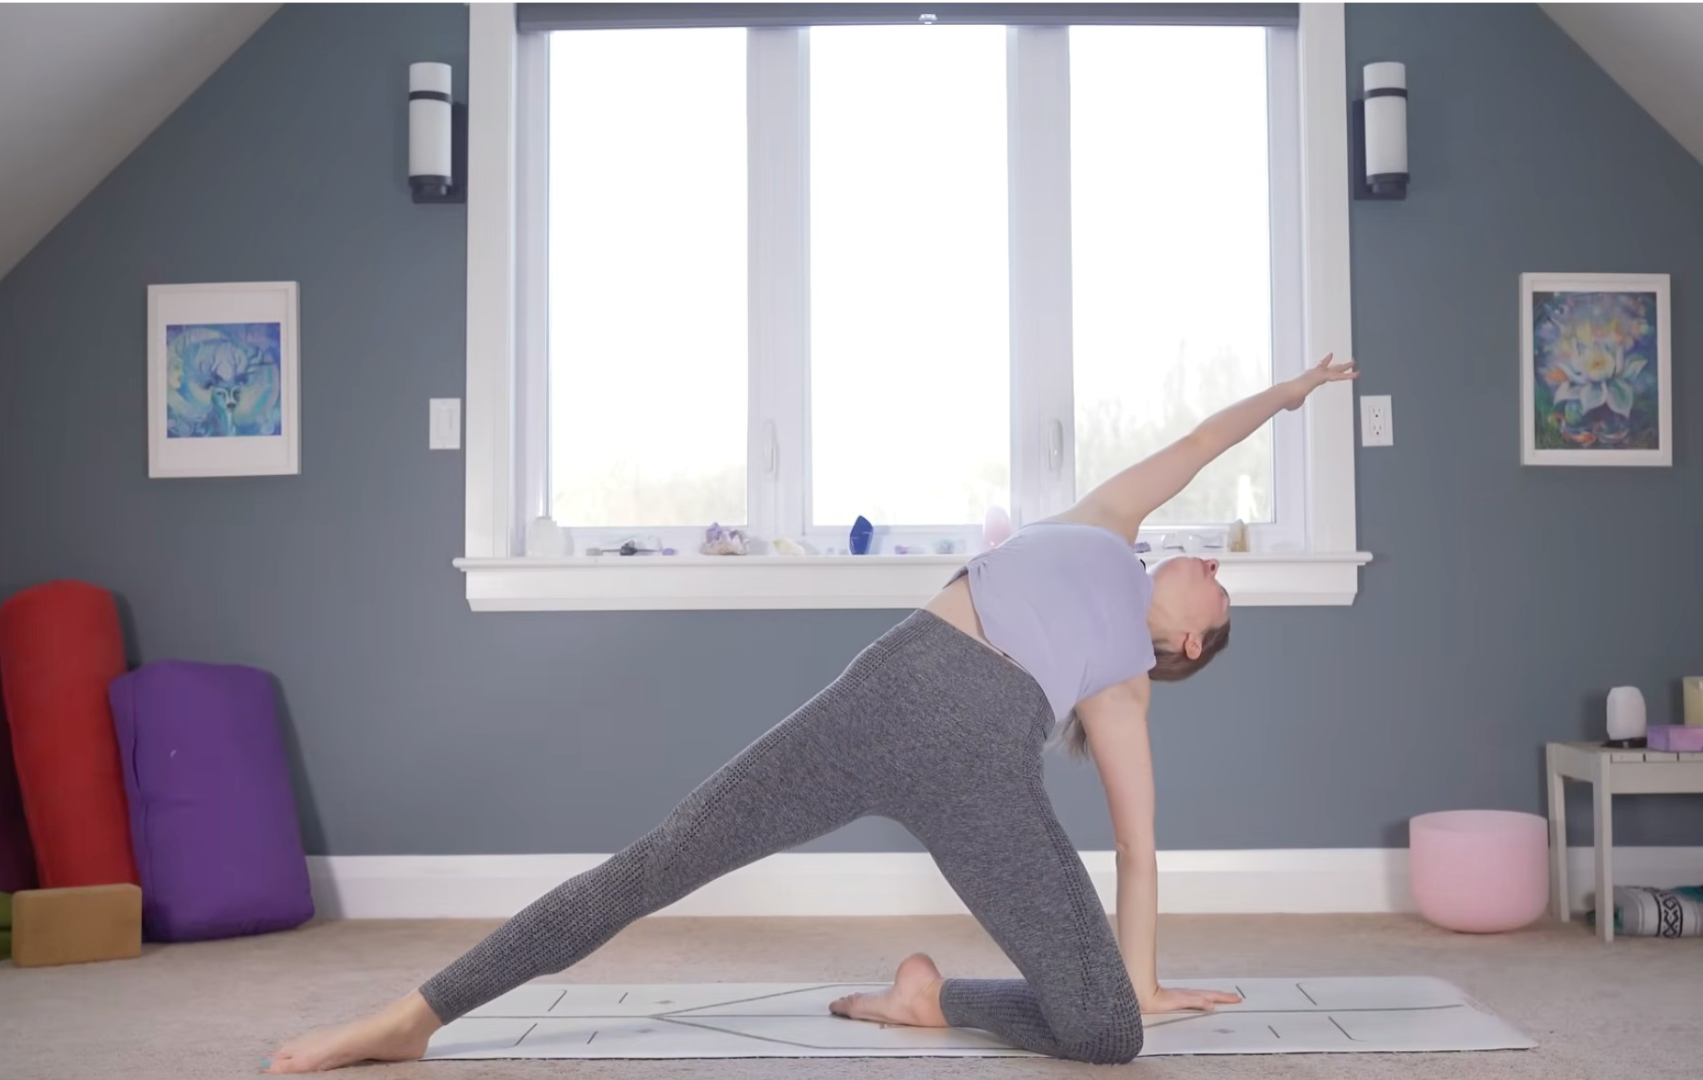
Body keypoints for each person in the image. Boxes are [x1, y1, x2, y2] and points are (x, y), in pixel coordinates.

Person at [266, 354, 1358, 1073]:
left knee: (1109, 1030)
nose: (1210, 559)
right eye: (1212, 558)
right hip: (884, 691)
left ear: (1194, 642)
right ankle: (419, 1014)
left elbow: (1140, 849)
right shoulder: (1107, 523)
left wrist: (1148, 982)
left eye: (1222, 585)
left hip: (984, 765)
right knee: (655, 863)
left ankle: (938, 1002)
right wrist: (1288, 396)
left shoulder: (1121, 683)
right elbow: (1205, 442)